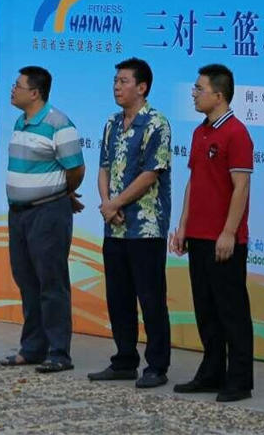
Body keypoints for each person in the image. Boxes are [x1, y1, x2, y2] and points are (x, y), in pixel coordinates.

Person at [169, 64, 255, 403]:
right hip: (199, 235)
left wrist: (229, 232)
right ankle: (211, 372)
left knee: (231, 310)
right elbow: (194, 181)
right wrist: (183, 225)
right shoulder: (199, 133)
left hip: (224, 239)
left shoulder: (236, 133)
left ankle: (240, 380)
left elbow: (241, 186)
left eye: (199, 88)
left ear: (219, 95)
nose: (193, 94)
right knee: (205, 309)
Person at [88, 58, 172, 389]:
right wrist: (107, 204)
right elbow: (104, 167)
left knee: (151, 298)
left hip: (146, 227)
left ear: (142, 87)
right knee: (118, 296)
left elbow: (151, 173)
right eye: (115, 81)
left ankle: (157, 366)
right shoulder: (111, 122)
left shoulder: (156, 123)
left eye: (123, 81)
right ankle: (124, 360)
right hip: (115, 225)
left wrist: (117, 203)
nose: (116, 86)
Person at [0, 66, 85, 373]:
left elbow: (76, 169)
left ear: (35, 93)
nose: (13, 90)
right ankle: (32, 348)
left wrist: (61, 193)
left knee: (51, 282)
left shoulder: (59, 124)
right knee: (27, 281)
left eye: (18, 85)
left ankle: (59, 352)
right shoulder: (21, 121)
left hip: (47, 213)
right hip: (19, 214)